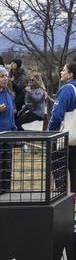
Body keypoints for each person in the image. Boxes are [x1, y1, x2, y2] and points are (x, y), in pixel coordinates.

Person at [48, 61, 76, 206]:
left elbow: (57, 114)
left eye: (63, 70)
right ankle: (73, 202)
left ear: (70, 75)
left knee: (58, 168)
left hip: (63, 135)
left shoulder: (66, 89)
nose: (61, 73)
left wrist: (51, 130)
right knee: (74, 168)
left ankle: (62, 201)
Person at [0, 66, 16, 194]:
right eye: (2, 76)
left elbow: (11, 115)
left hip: (8, 136)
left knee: (7, 167)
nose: (5, 79)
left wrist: (14, 129)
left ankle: (6, 193)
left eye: (6, 76)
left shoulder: (8, 94)